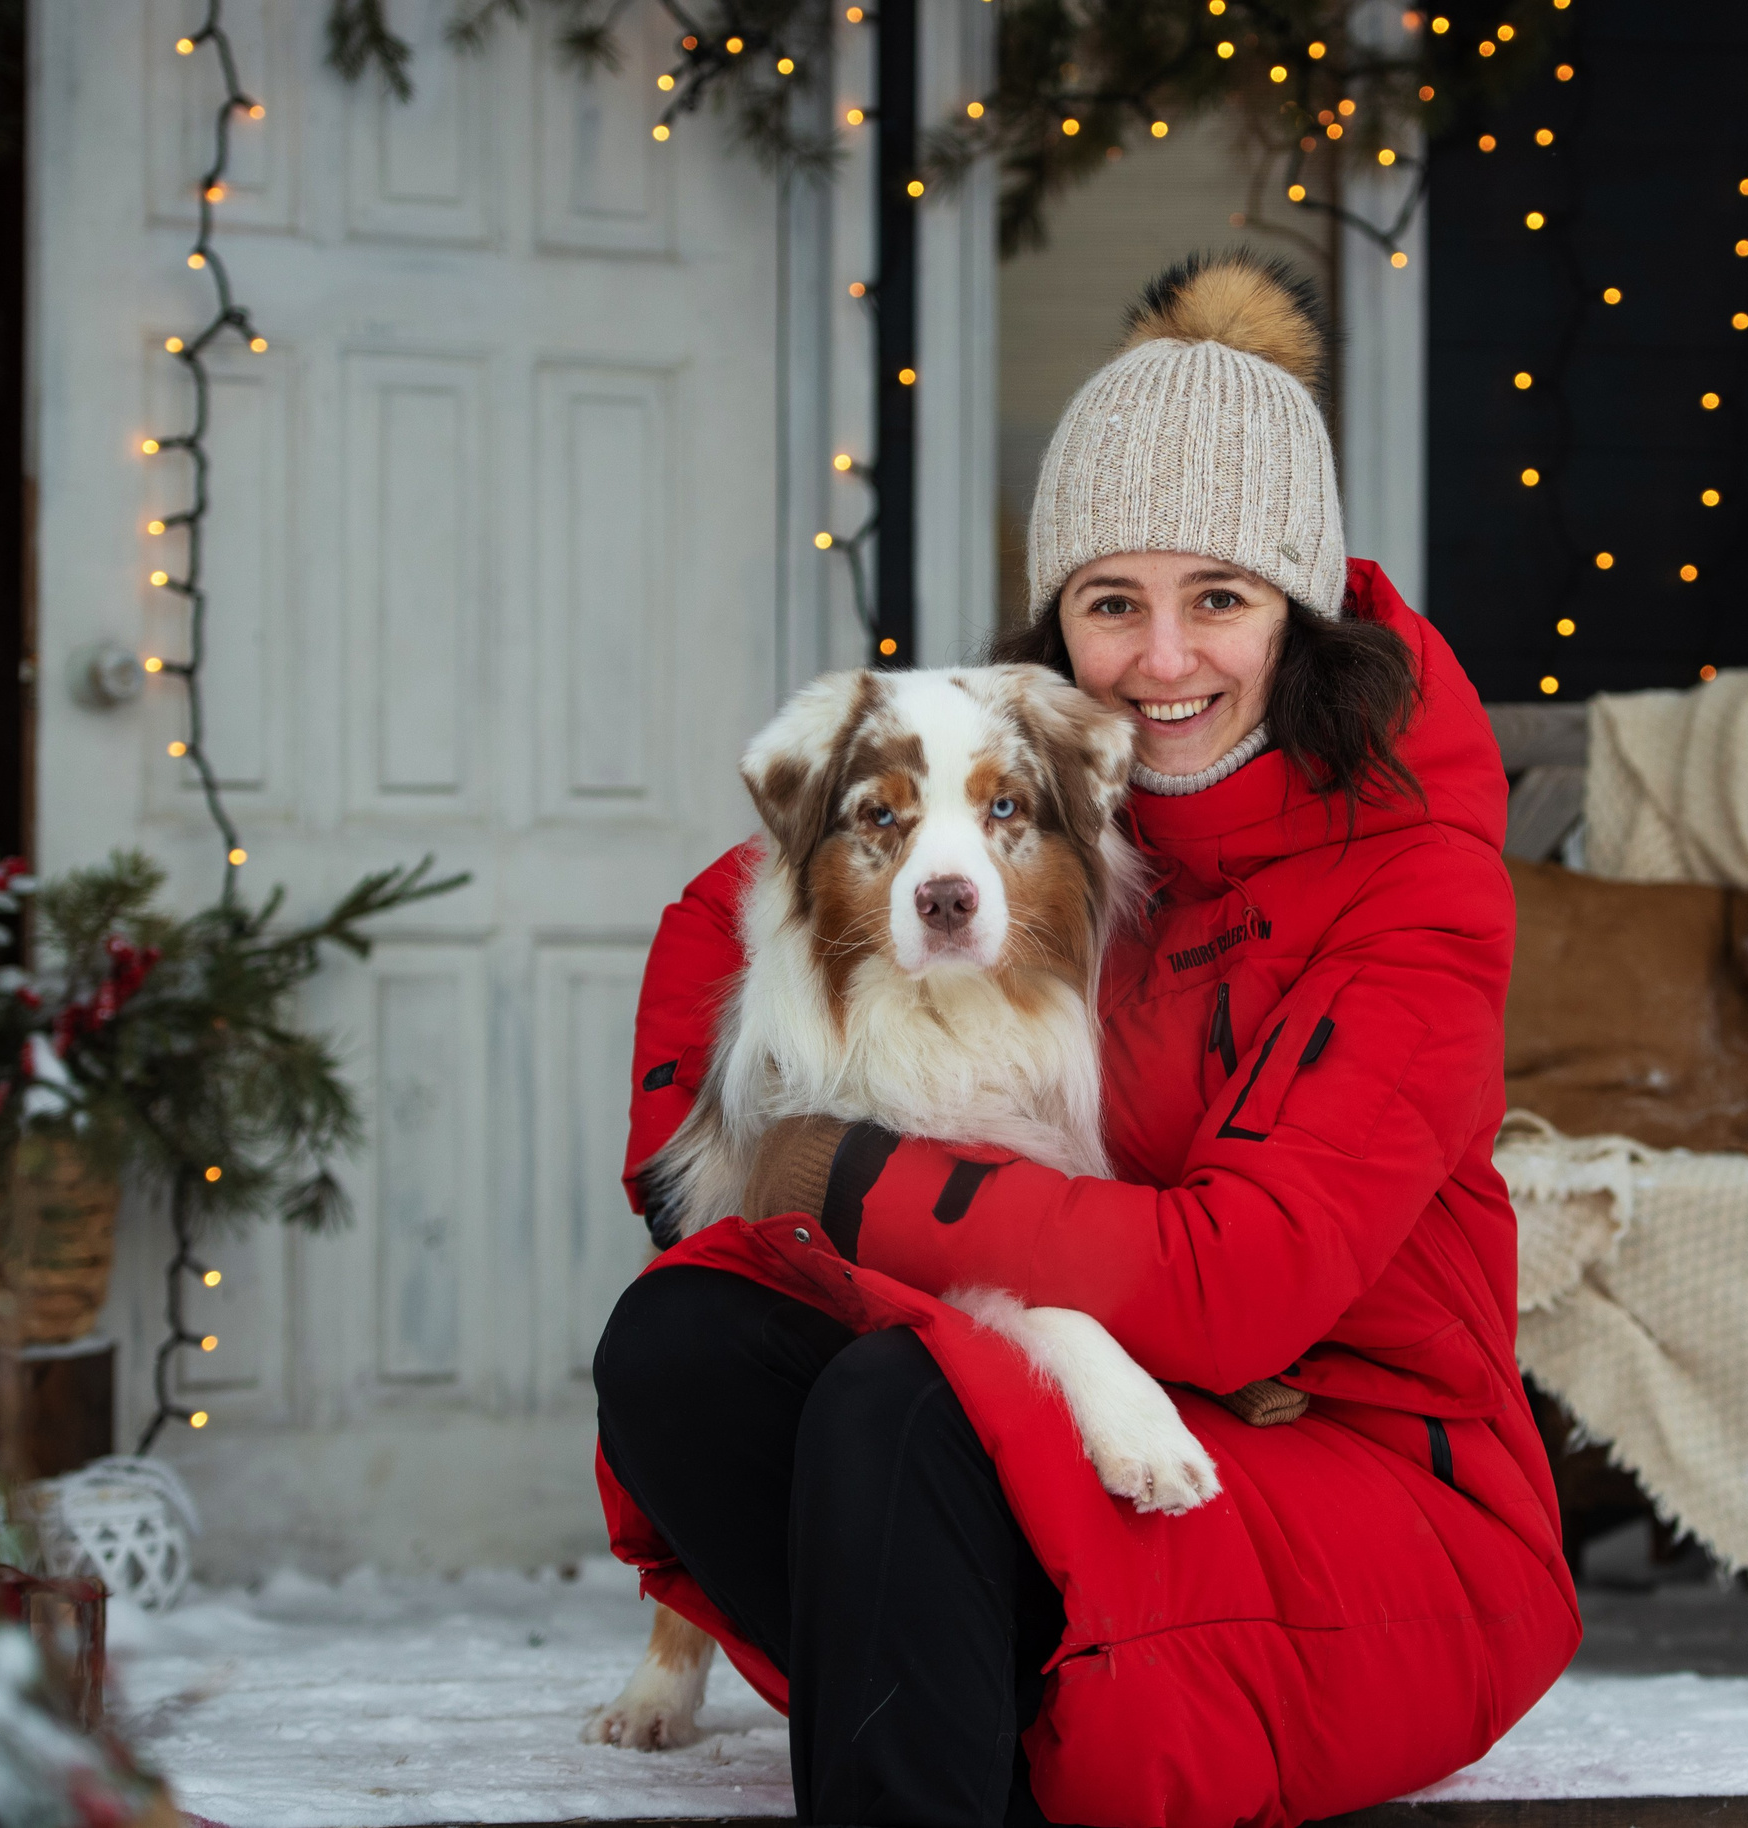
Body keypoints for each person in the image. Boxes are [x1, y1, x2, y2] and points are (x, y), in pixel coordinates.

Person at [592, 252, 1578, 1828]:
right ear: (1058, 622)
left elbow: (1240, 1287)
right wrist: (708, 1096)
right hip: (1138, 1429)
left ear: (1300, 612)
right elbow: (765, 889)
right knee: (680, 1347)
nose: (1164, 661)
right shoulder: (1060, 814)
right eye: (1112, 603)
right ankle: (949, 1733)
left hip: (1372, 1501)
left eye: (1222, 600)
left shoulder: (1414, 893)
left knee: (901, 1398)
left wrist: (839, 1173)